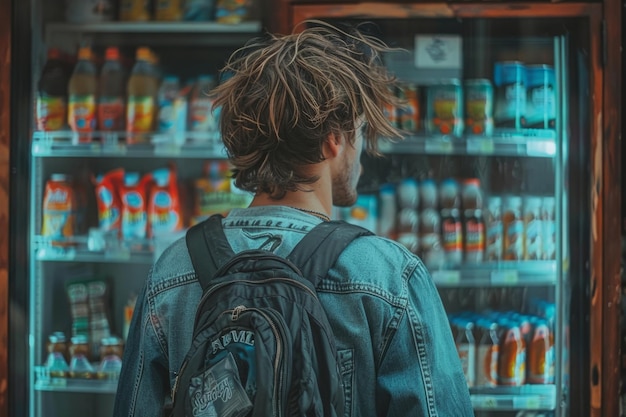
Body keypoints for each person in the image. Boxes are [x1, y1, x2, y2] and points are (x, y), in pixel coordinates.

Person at [113, 20, 474, 417]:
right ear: (334, 138)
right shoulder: (389, 276)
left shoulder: (173, 270)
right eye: (358, 133)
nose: (360, 155)